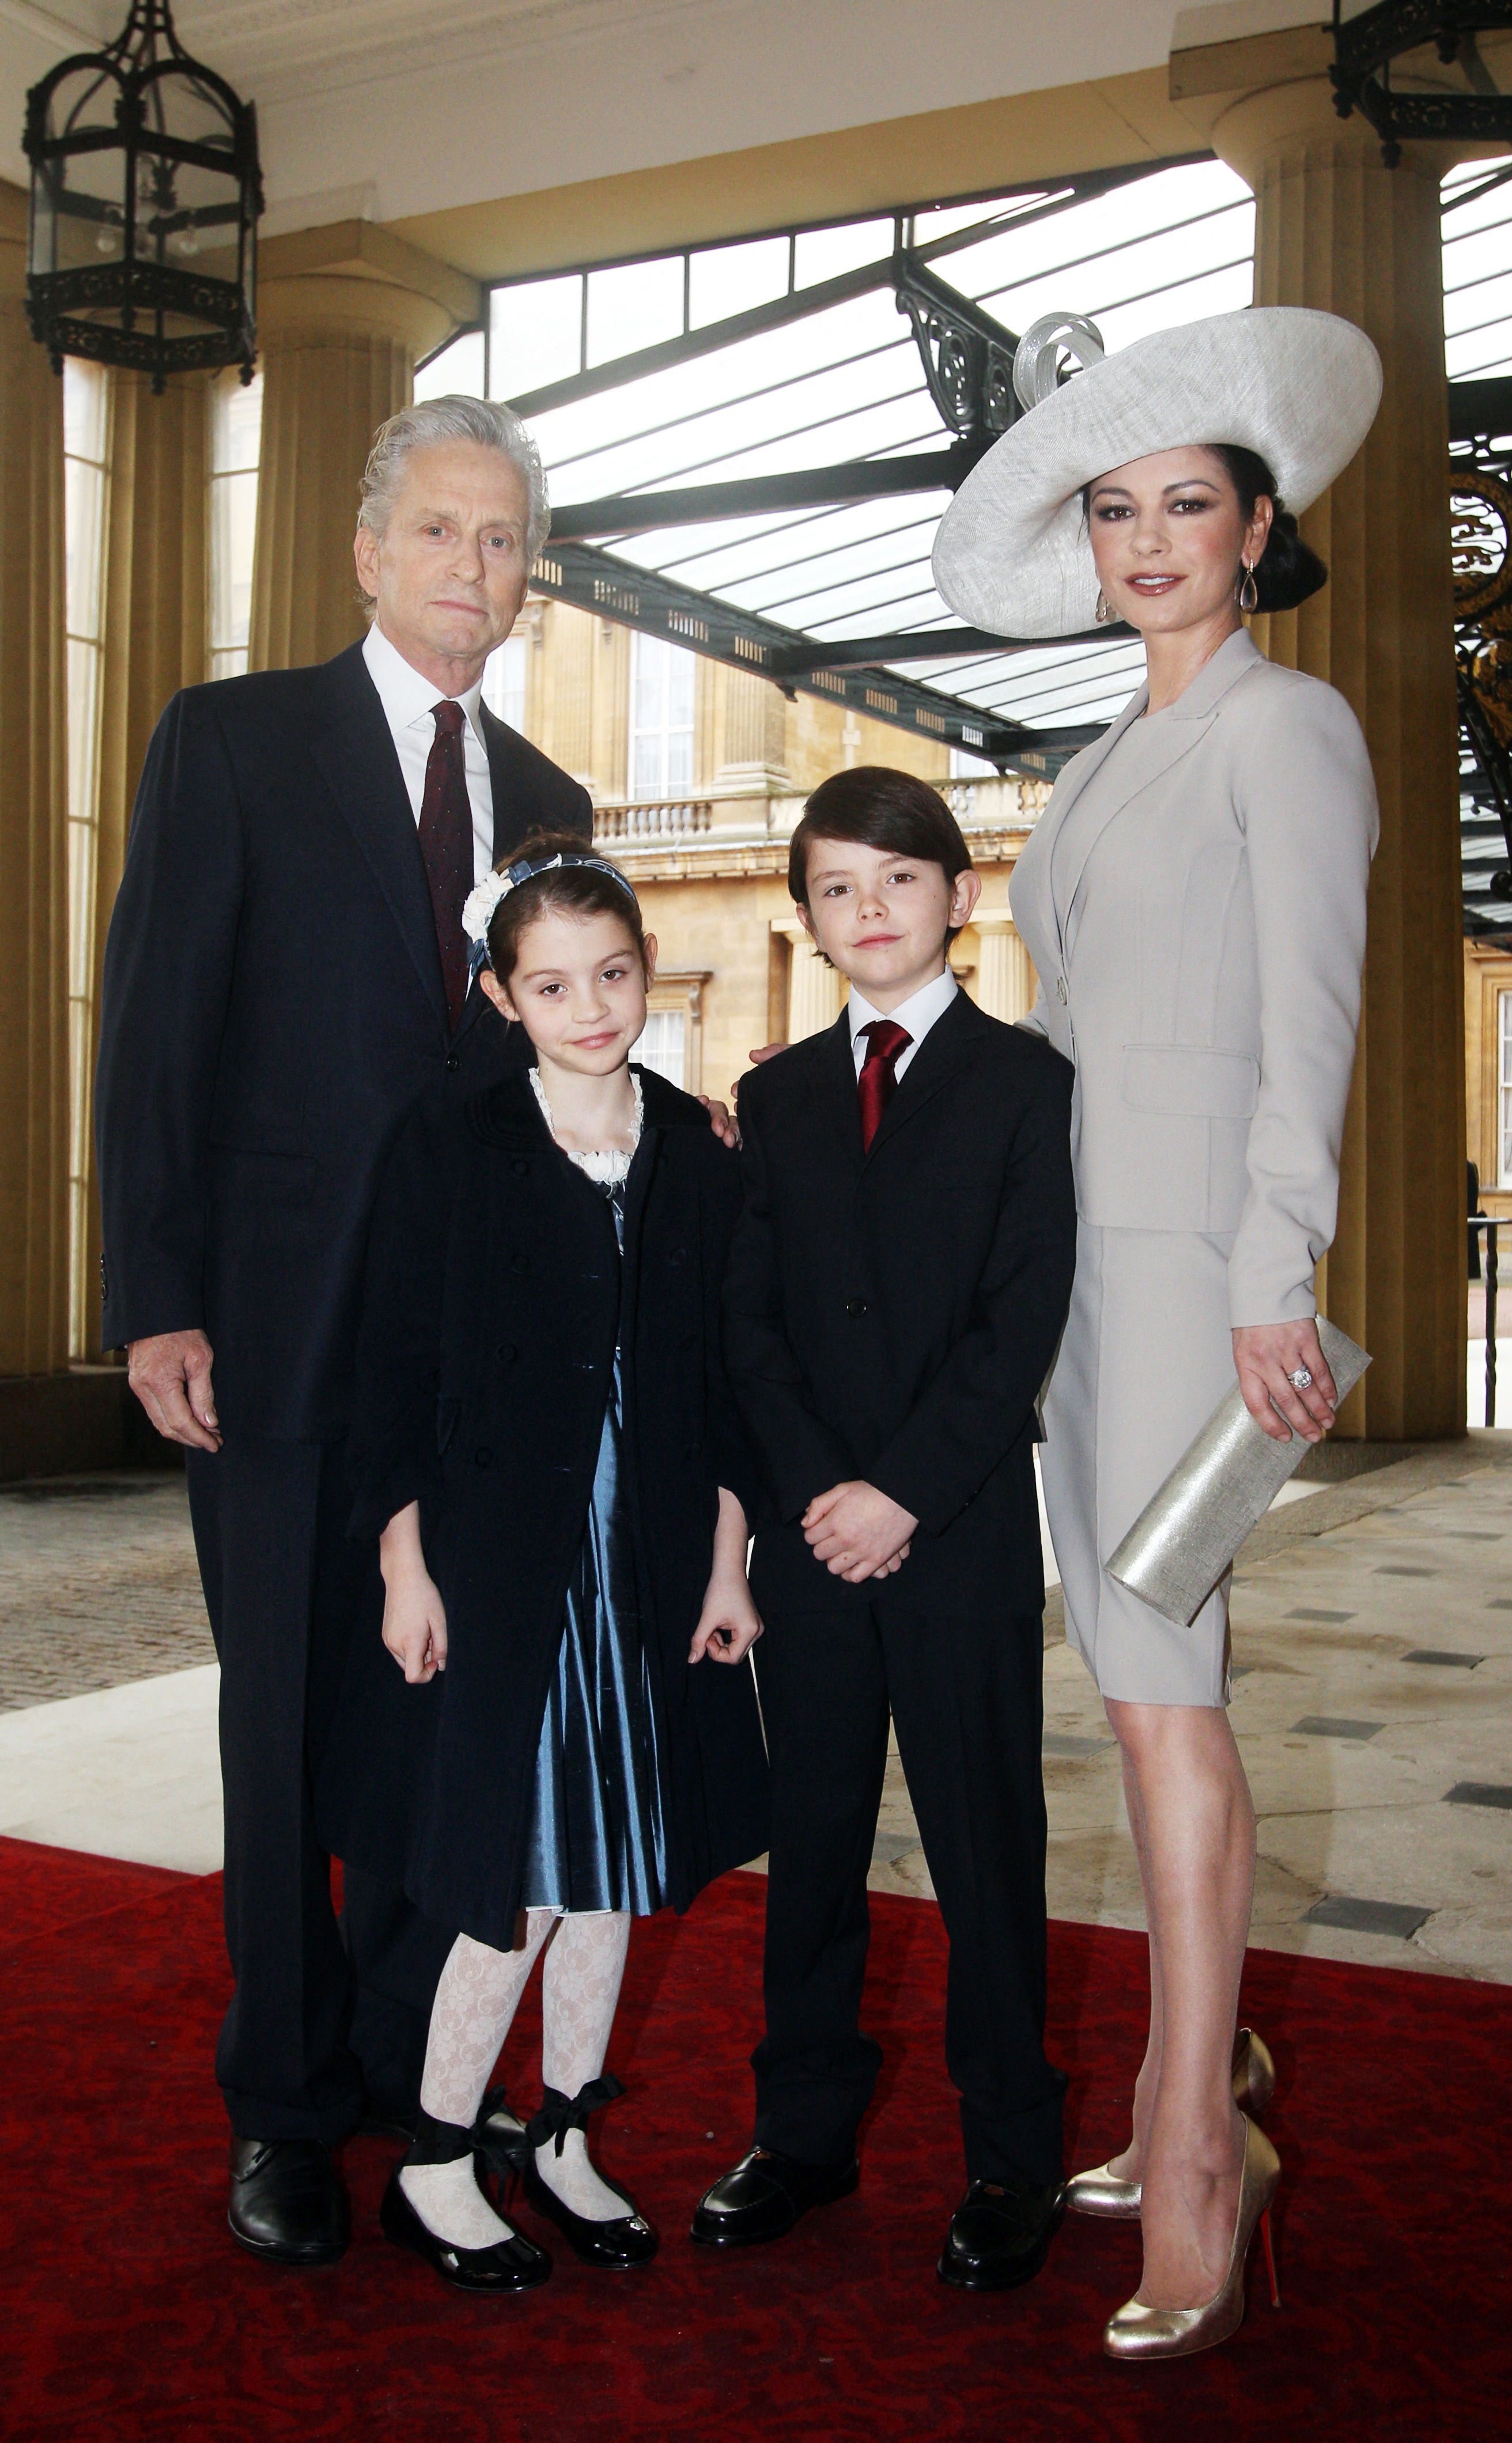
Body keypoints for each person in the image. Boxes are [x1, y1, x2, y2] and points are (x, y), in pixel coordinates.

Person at [94, 395, 727, 2268]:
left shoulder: (546, 800)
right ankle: (283, 2105)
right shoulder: (229, 741)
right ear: (368, 552)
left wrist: (694, 1134)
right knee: (286, 1728)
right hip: (273, 1339)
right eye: (441, 532)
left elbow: (551, 1061)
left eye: (505, 541)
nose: (473, 567)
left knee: (433, 1725)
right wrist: (156, 1299)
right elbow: (151, 1033)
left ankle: (395, 2061)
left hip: (471, 1368)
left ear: (530, 579)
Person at [932, 304, 1382, 2359]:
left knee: (1155, 1697)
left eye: (1181, 502)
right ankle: (1173, 2095)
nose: (1143, 536)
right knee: (1142, 1684)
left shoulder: (1284, 731)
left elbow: (1309, 1020)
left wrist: (1271, 1272)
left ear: (1254, 521)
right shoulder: (1108, 748)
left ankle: (1192, 2150)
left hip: (1195, 1276)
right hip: (1085, 1281)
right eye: (1111, 508)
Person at [316, 835, 770, 2294]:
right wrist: (403, 1564)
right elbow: (384, 1369)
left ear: (646, 974)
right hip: (505, 1565)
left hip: (643, 1559)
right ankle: (438, 2153)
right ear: (502, 995)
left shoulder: (696, 1149)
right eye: (553, 983)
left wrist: (725, 1560)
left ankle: (565, 2129)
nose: (591, 1007)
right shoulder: (449, 1140)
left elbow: (720, 1377)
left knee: (611, 1868)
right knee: (503, 1869)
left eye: (615, 975)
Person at [694, 768, 1077, 2293]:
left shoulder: (1028, 1084)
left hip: (961, 1525)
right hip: (812, 1536)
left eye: (898, 882)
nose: (870, 911)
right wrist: (820, 1499)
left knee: (987, 1843)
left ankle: (1012, 2152)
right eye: (839, 889)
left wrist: (905, 1490)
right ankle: (803, 2131)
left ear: (956, 896)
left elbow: (1022, 1313)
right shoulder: (777, 1095)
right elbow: (752, 1325)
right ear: (808, 916)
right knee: (817, 1845)